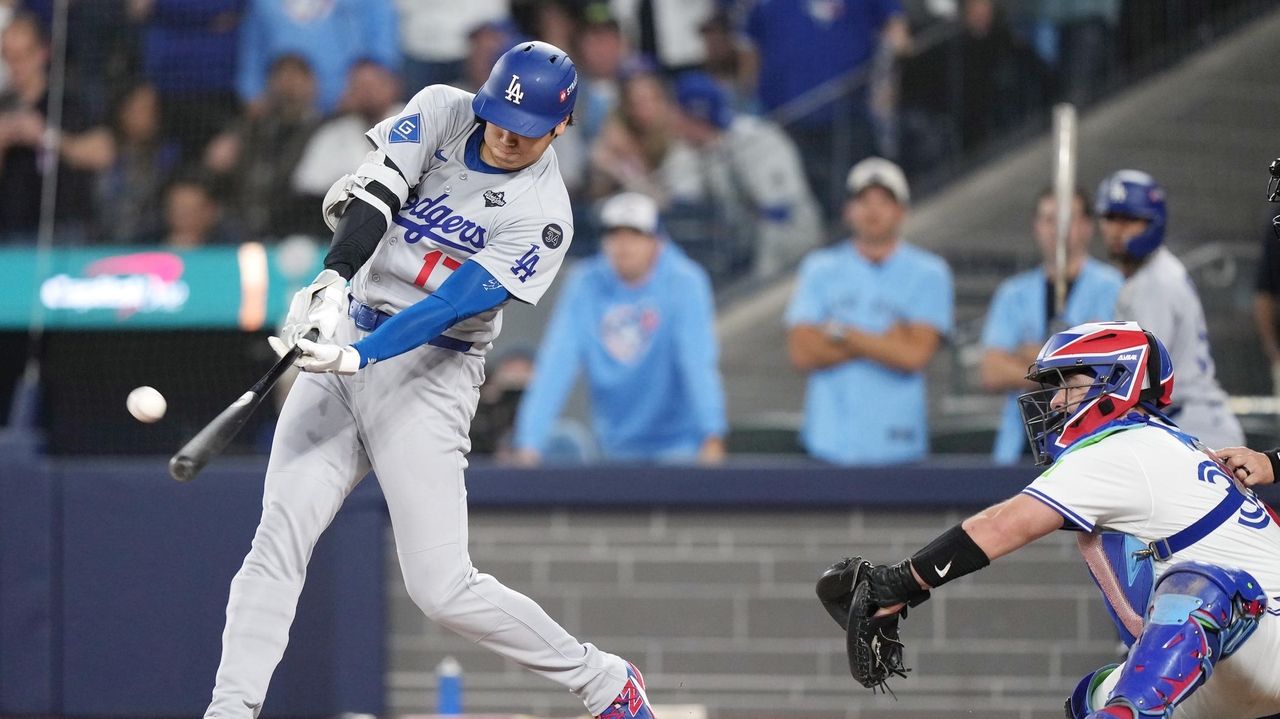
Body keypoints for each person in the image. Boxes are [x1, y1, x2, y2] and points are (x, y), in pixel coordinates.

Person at [202, 41, 656, 719]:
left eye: (526, 129)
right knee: (277, 540)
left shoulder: (546, 215)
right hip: (348, 332)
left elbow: (454, 302)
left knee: (441, 587)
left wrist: (364, 355)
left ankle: (602, 679)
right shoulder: (445, 110)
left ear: (561, 126)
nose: (505, 135)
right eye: (500, 116)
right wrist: (331, 279)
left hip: (431, 371)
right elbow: (377, 193)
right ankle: (230, 709)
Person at [822, 320, 1280, 719]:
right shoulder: (1167, 442)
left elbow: (1004, 526)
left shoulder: (1123, 447)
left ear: (1114, 381)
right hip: (1230, 659)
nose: (1057, 401)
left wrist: (898, 584)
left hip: (1264, 635)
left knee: (1196, 584)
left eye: (1069, 383)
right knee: (1093, 697)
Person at [511, 191, 727, 465]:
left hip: (679, 445)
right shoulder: (585, 284)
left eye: (635, 234)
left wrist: (712, 434)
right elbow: (556, 362)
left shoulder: (685, 282)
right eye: (614, 234)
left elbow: (697, 362)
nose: (623, 245)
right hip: (612, 446)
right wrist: (529, 443)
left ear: (657, 241)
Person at [785, 157, 953, 465]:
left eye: (884, 201)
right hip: (827, 443)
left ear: (901, 211)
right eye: (863, 200)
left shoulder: (930, 272)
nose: (873, 210)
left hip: (899, 445)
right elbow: (802, 352)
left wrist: (840, 333)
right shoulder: (819, 268)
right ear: (848, 210)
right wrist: (886, 340)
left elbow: (914, 356)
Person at [1096, 169, 1245, 449]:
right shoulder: (1150, 275)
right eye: (1111, 218)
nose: (1117, 230)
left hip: (1195, 426)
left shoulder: (1155, 283)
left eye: (1130, 220)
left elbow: (1142, 380)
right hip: (1187, 423)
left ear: (1153, 222)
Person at [979, 186, 1122, 464]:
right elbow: (991, 371)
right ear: (1037, 226)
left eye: (1067, 219)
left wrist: (1027, 355)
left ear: (1086, 226)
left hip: (1091, 447)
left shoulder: (1114, 288)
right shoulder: (1013, 294)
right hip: (1020, 447)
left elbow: (1112, 369)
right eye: (1049, 219)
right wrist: (1072, 361)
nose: (1058, 228)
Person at [665, 71, 823, 278]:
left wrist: (760, 276)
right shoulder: (686, 153)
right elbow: (684, 206)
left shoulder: (759, 138)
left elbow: (779, 211)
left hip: (794, 246)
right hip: (739, 252)